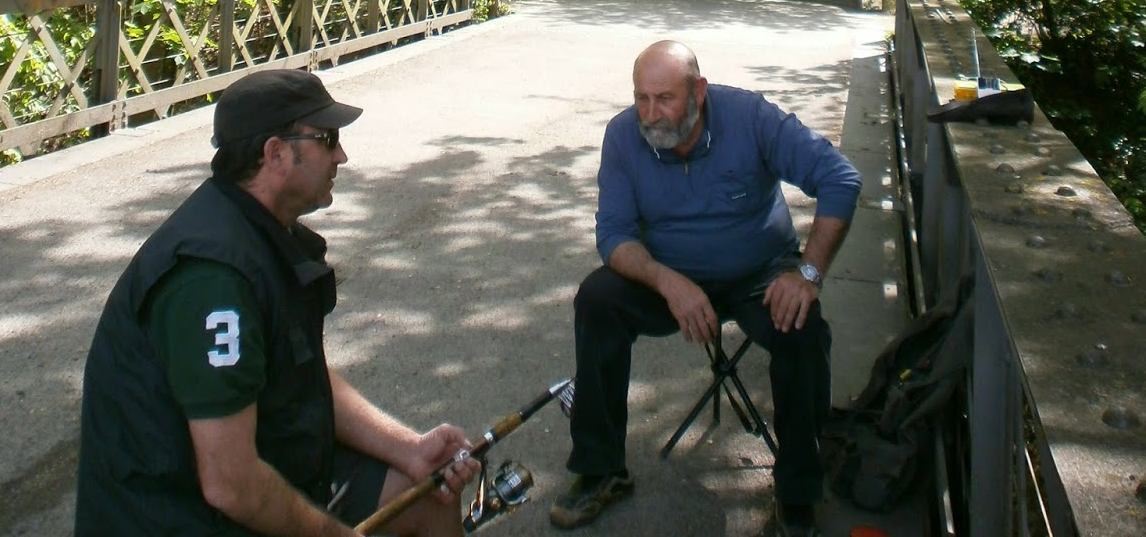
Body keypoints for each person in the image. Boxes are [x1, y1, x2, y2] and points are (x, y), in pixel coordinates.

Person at [75, 67, 478, 536]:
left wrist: (409, 449)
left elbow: (298, 373)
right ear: (275, 153)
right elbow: (232, 485)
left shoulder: (262, 232)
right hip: (177, 514)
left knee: (429, 494)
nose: (342, 155)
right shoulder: (212, 280)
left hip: (263, 467)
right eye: (328, 139)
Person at [551, 40, 862, 537]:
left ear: (699, 91)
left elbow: (840, 178)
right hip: (668, 274)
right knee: (597, 300)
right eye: (641, 98)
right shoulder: (623, 136)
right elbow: (612, 235)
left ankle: (798, 492)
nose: (650, 114)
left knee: (803, 329)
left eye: (665, 99)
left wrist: (808, 275)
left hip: (760, 271)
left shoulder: (751, 117)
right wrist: (667, 281)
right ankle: (600, 469)